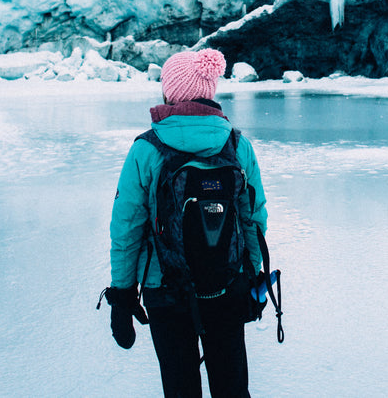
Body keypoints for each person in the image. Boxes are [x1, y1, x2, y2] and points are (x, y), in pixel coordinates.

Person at [105, 48, 268, 397]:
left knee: (180, 388)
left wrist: (122, 293)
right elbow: (253, 218)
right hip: (225, 282)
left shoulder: (146, 149)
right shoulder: (237, 145)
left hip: (165, 290)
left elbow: (127, 228)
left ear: (171, 91)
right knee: (232, 386)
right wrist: (252, 275)